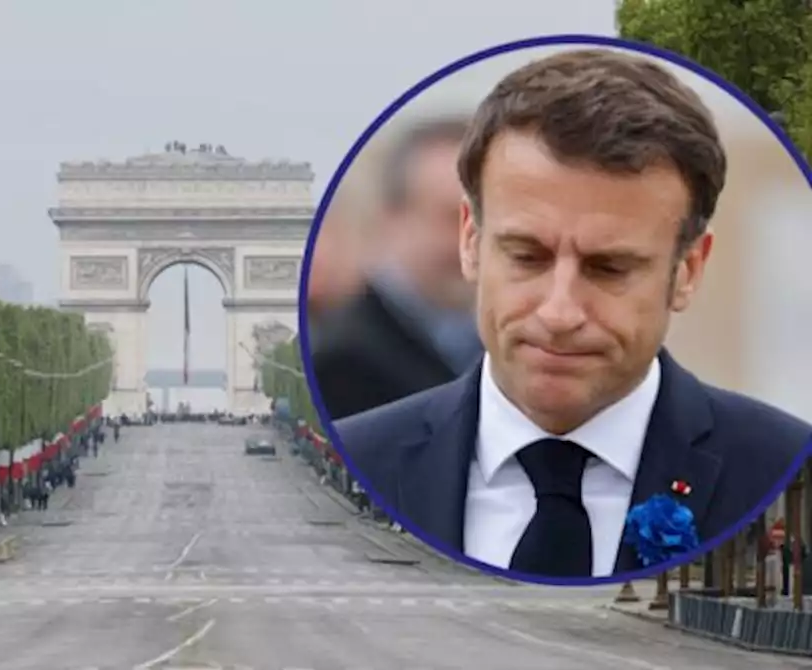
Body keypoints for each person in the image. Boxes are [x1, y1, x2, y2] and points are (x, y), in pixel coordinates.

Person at [335, 48, 812, 579]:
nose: (559, 312)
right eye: (526, 256)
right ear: (470, 241)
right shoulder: (352, 460)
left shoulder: (783, 472)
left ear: (689, 270)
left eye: (609, 268)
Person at [310, 116, 483, 421]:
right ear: (393, 219)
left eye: (490, 219)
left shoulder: (482, 344)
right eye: (451, 218)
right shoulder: (341, 364)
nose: (473, 243)